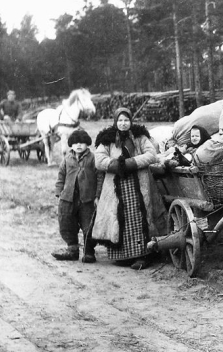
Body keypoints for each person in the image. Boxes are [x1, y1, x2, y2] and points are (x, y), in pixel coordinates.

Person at [91, 108, 167, 270]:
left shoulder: (140, 137)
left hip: (139, 184)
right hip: (116, 186)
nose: (123, 124)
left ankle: (143, 255)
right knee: (119, 218)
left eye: (126, 120)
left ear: (131, 121)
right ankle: (123, 256)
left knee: (139, 217)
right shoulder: (108, 139)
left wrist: (131, 163)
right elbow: (99, 160)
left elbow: (151, 154)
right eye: (120, 121)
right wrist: (116, 165)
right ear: (115, 122)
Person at [51, 129, 102, 262]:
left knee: (89, 224)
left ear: (87, 144)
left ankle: (89, 251)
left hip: (87, 199)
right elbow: (61, 176)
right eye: (75, 143)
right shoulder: (67, 159)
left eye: (82, 143)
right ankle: (72, 250)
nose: (78, 145)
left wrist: (97, 195)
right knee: (67, 222)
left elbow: (99, 177)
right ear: (71, 145)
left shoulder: (93, 158)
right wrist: (59, 192)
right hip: (68, 198)